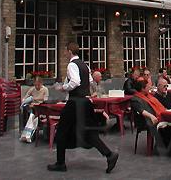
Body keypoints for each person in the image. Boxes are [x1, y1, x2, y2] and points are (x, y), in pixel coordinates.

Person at [48, 42, 118, 173]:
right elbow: (90, 81)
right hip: (85, 102)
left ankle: (60, 163)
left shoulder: (72, 65)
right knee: (89, 132)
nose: (64, 53)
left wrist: (64, 88)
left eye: (65, 51)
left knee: (62, 130)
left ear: (69, 51)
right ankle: (109, 154)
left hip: (75, 102)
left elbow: (75, 81)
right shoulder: (85, 65)